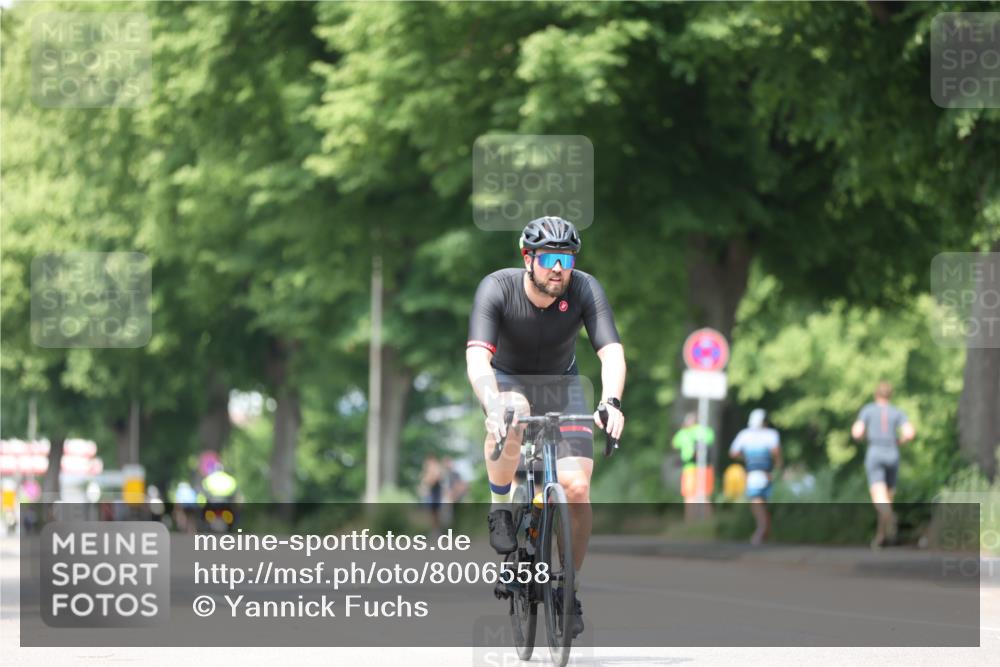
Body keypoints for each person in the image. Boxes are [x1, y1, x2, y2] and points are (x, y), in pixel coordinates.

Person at [466, 216, 626, 638]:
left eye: (567, 258)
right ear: (528, 258)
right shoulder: (497, 287)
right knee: (513, 410)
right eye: (550, 258)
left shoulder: (585, 288)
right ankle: (500, 506)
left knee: (575, 489)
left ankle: (567, 587)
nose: (559, 267)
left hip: (563, 386)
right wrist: (492, 400)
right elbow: (477, 358)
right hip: (510, 383)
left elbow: (611, 352)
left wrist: (611, 401)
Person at [851, 381, 915, 549]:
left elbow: (857, 431)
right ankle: (880, 538)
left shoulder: (868, 410)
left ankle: (891, 518)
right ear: (890, 395)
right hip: (893, 453)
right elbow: (910, 432)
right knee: (887, 499)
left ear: (876, 394)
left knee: (879, 500)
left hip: (876, 453)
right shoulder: (897, 412)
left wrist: (862, 438)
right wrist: (900, 441)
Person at [729, 409, 781, 546]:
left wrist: (745, 458)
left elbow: (733, 452)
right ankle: (765, 532)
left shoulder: (744, 435)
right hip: (767, 473)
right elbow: (776, 453)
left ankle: (760, 532)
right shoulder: (771, 435)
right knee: (762, 503)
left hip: (753, 472)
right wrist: (777, 468)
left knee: (756, 503)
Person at [671, 412, 715, 518]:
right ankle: (708, 522)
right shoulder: (705, 430)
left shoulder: (683, 432)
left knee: (690, 496)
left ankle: (690, 521)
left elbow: (674, 444)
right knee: (704, 495)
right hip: (705, 467)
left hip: (690, 468)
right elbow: (711, 439)